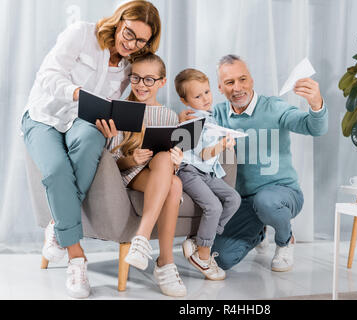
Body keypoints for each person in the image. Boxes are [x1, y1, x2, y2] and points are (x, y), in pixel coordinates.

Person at [21, 0, 161, 299]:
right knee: (57, 170)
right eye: (129, 33)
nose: (131, 43)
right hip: (44, 115)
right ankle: (76, 255)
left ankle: (57, 226)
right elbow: (47, 75)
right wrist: (75, 92)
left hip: (82, 123)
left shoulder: (128, 66)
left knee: (93, 142)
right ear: (119, 20)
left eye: (141, 40)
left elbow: (110, 109)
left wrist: (111, 134)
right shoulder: (82, 33)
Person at [180, 54, 328, 272]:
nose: (238, 87)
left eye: (243, 79)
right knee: (220, 259)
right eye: (230, 82)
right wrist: (185, 121)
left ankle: (285, 240)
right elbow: (193, 148)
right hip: (243, 202)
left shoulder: (275, 107)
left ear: (252, 81)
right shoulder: (216, 115)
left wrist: (316, 104)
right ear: (220, 87)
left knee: (266, 202)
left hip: (282, 194)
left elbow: (315, 128)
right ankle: (259, 232)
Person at [106, 53, 186, 297]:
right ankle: (164, 263)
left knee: (172, 177)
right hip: (131, 175)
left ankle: (146, 244)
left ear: (161, 82)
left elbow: (172, 162)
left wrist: (177, 160)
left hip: (160, 175)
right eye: (136, 78)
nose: (141, 85)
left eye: (149, 80)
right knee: (172, 183)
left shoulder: (170, 117)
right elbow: (112, 164)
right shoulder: (120, 111)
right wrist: (133, 159)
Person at [174, 68, 241, 281]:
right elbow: (203, 154)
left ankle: (197, 240)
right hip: (190, 171)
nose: (205, 98)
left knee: (233, 198)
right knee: (214, 206)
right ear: (184, 100)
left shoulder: (209, 117)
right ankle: (202, 256)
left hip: (206, 172)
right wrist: (222, 145)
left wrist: (224, 141)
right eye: (197, 96)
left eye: (207, 92)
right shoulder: (193, 120)